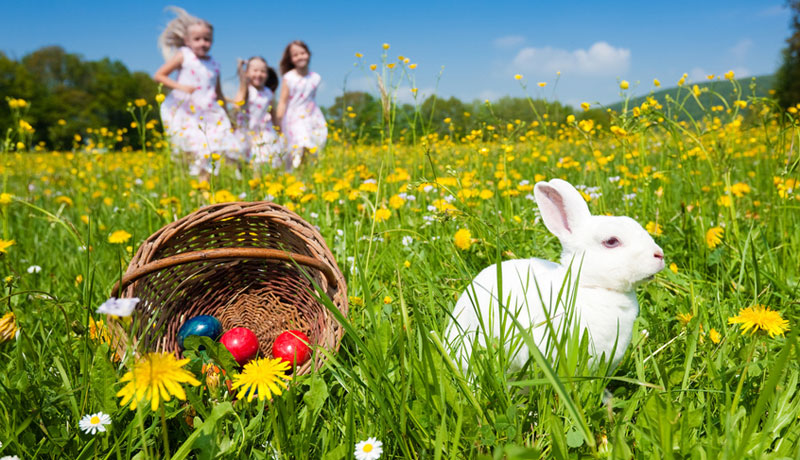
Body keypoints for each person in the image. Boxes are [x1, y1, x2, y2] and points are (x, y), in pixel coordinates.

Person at [154, 7, 240, 178]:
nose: (203, 43)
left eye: (207, 39)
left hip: (209, 111)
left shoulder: (215, 64)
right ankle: (198, 183)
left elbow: (218, 93)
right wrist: (182, 87)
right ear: (187, 41)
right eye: (198, 39)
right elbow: (159, 75)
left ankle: (206, 183)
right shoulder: (184, 55)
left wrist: (230, 106)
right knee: (196, 148)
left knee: (214, 147)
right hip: (187, 111)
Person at [275, 40, 327, 171]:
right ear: (291, 59)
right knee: (300, 146)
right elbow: (282, 101)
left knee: (312, 148)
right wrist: (278, 121)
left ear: (308, 54)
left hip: (313, 116)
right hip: (294, 117)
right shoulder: (289, 77)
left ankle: (304, 175)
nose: (300, 57)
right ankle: (294, 175)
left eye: (302, 53)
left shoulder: (316, 77)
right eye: (295, 55)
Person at [233, 57, 283, 169]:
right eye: (255, 70)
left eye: (262, 71)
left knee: (262, 160)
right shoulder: (245, 90)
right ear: (247, 73)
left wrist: (278, 129)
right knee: (243, 164)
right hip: (246, 131)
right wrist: (242, 75)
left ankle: (258, 182)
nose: (259, 74)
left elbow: (273, 111)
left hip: (264, 131)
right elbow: (236, 105)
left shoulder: (269, 92)